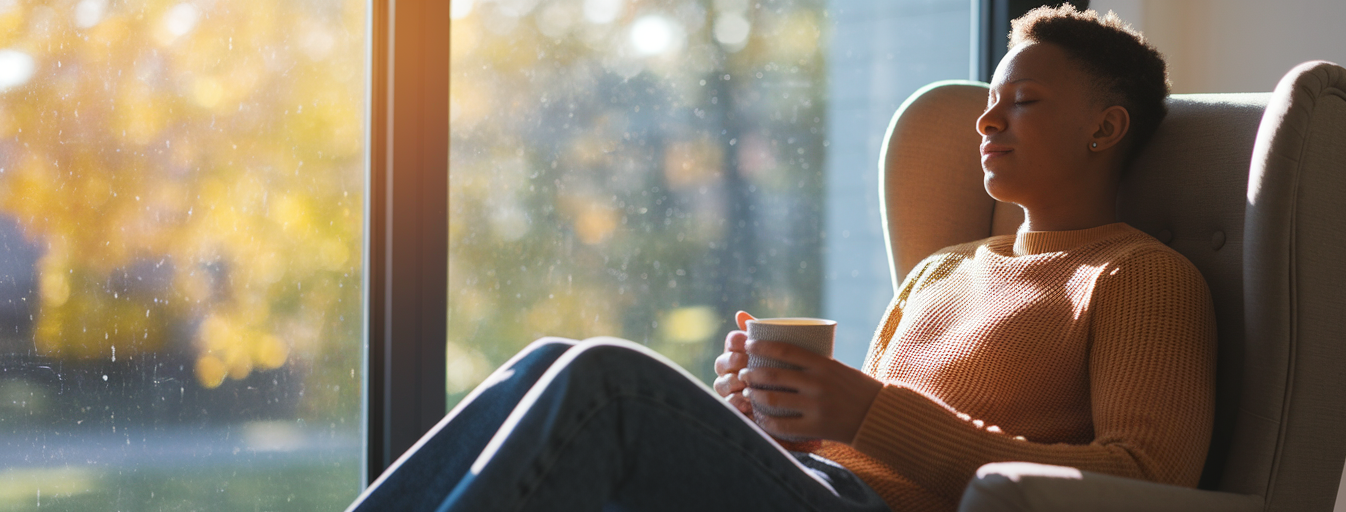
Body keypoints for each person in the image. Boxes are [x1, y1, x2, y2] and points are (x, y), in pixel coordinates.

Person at [346, 5, 1214, 512]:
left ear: (1105, 127)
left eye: (1022, 103)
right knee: (552, 362)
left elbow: (1146, 480)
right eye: (988, 102)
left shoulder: (1138, 277)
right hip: (816, 482)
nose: (987, 122)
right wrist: (779, 409)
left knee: (609, 382)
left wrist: (868, 412)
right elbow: (866, 432)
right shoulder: (947, 268)